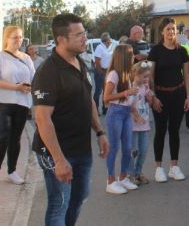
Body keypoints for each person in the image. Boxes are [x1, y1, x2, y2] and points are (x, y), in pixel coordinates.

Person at [32, 13, 109, 226]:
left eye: (84, 33)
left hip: (81, 149)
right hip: (56, 151)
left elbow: (89, 102)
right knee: (59, 204)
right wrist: (58, 160)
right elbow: (42, 119)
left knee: (78, 199)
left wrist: (100, 132)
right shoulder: (48, 71)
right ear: (61, 40)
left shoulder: (80, 63)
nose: (84, 38)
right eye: (79, 35)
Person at [0, 26, 35, 190]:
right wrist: (16, 87)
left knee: (16, 138)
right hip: (2, 102)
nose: (18, 40)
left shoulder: (26, 58)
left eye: (20, 37)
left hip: (21, 104)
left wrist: (28, 87)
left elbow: (33, 78)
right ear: (6, 38)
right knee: (2, 138)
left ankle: (12, 171)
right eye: (15, 37)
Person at [148, 17, 189, 182]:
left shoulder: (182, 51)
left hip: (178, 95)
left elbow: (186, 75)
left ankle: (174, 166)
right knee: (160, 131)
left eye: (173, 29)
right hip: (160, 95)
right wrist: (153, 97)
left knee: (174, 130)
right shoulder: (156, 51)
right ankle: (158, 168)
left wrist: (188, 96)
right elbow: (150, 77)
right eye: (168, 29)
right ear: (162, 32)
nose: (171, 32)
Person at [103, 44, 140, 194]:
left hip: (125, 112)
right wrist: (126, 92)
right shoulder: (114, 74)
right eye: (131, 55)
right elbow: (106, 98)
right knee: (114, 147)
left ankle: (123, 177)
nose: (133, 57)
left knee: (127, 147)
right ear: (124, 57)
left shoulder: (126, 73)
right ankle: (110, 180)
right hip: (116, 112)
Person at [128, 62, 154, 185]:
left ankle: (138, 172)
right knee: (133, 151)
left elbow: (148, 101)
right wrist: (136, 116)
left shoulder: (145, 87)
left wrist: (150, 97)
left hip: (144, 124)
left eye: (148, 76)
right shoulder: (132, 87)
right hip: (133, 125)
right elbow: (128, 105)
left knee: (143, 150)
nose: (146, 79)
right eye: (144, 76)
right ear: (135, 75)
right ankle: (131, 174)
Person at [93, 33, 113, 115]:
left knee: (106, 91)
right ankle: (95, 110)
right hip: (100, 71)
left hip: (106, 71)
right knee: (98, 91)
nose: (110, 41)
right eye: (109, 40)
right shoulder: (100, 47)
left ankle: (105, 108)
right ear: (105, 40)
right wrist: (101, 72)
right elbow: (97, 61)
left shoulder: (105, 48)